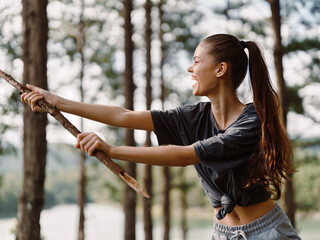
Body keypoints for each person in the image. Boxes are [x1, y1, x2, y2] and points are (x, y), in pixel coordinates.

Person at [21, 33, 301, 239]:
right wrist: (55, 100)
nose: (191, 68)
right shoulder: (194, 116)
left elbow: (184, 155)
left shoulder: (251, 121)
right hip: (222, 233)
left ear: (220, 69)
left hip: (267, 232)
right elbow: (124, 116)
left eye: (196, 61)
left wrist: (112, 150)